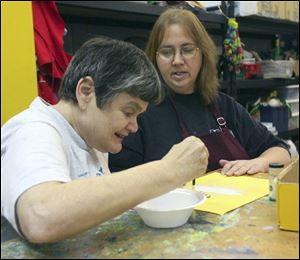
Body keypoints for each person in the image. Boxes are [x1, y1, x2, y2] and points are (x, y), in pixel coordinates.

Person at [1, 37, 209, 244]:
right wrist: (168, 170)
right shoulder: (33, 129)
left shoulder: (91, 138)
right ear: (86, 92)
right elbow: (41, 217)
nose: (134, 127)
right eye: (128, 112)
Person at [109, 8, 291, 176]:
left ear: (202, 54)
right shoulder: (138, 115)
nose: (177, 60)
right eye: (166, 52)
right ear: (154, 58)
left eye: (187, 50)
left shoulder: (223, 105)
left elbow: (280, 150)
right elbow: (121, 183)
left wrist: (260, 163)